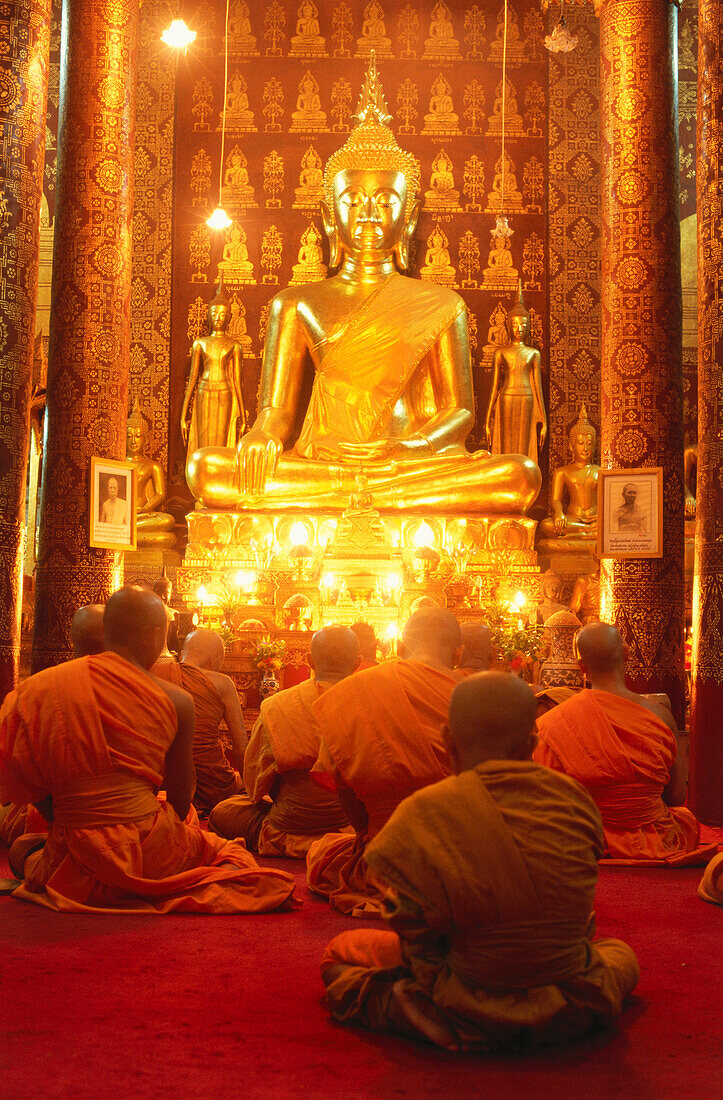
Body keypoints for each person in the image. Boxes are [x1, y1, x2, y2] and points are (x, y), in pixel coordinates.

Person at [186, 57, 539, 515]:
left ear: (408, 218)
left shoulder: (441, 304)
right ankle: (368, 495)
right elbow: (277, 412)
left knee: (518, 476)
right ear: (331, 217)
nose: (370, 213)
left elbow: (461, 413)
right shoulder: (294, 304)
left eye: (385, 200)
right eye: (354, 201)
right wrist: (260, 436)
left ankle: (367, 493)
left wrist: (411, 448)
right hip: (323, 463)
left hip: (406, 465)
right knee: (207, 469)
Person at [321, 672, 640, 1051]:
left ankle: (434, 1018)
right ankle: (532, 1015)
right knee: (620, 954)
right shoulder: (575, 800)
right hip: (572, 998)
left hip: (463, 999)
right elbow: (580, 905)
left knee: (339, 953)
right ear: (533, 744)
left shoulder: (423, 812)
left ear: (446, 742)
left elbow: (415, 936)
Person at [0, 586, 295, 913]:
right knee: (235, 857)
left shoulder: (38, 690)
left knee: (22, 850)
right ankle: (162, 882)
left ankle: (85, 878)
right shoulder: (176, 699)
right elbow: (181, 801)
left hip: (72, 843)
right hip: (148, 847)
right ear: (155, 635)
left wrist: (74, 820)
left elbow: (22, 776)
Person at [306, 607, 464, 916]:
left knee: (324, 855)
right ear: (457, 653)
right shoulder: (477, 696)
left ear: (401, 647)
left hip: (385, 858)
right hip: (462, 860)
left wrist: (367, 838)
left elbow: (344, 786)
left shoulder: (356, 691)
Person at [534, 622, 717, 865]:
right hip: (656, 837)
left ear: (581, 668)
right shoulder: (660, 717)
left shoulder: (555, 722)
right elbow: (675, 796)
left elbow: (547, 798)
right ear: (627, 655)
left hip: (584, 840)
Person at [209, 626, 357, 857]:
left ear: (310, 661)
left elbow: (254, 780)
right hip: (349, 828)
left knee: (222, 812)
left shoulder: (279, 705)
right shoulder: (371, 705)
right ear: (357, 663)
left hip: (288, 829)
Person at [1, 603, 106, 851]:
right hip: (127, 824)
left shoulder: (38, 691)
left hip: (51, 818)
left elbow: (15, 772)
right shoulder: (142, 689)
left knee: (21, 846)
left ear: (71, 639)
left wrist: (60, 821)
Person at [152, 629, 245, 813]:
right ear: (215, 659)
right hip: (214, 781)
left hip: (163, 778)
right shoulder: (223, 682)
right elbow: (241, 746)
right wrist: (251, 792)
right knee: (242, 786)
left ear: (183, 653)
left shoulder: (157, 674)